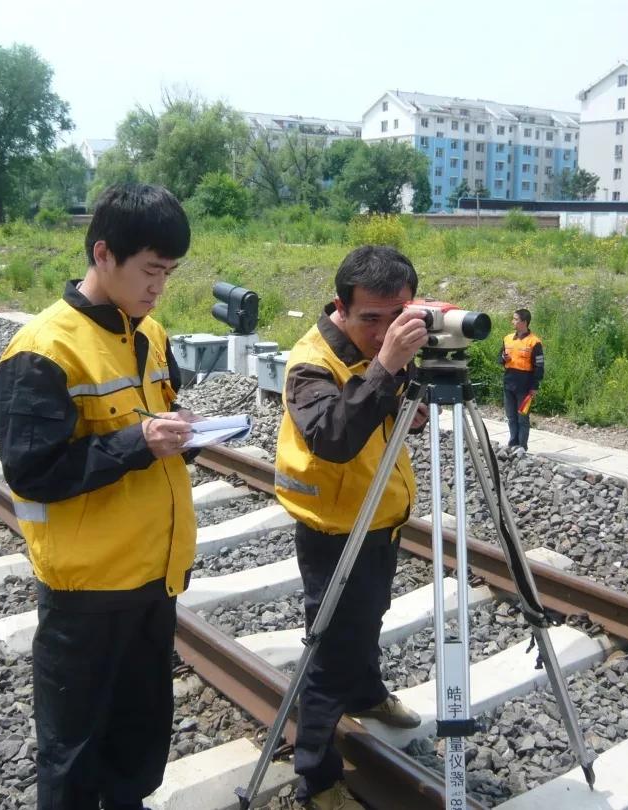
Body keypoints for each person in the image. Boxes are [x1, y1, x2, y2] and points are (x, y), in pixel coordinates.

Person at [0, 184, 198, 810]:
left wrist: (180, 433)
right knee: (74, 754)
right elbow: (33, 472)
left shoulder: (149, 332)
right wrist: (139, 443)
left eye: (169, 273)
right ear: (103, 254)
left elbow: (155, 416)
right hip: (86, 592)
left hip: (154, 578)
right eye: (150, 271)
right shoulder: (41, 351)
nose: (159, 286)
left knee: (138, 743)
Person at [274, 245, 430, 810]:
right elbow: (333, 438)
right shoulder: (311, 362)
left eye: (398, 316)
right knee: (329, 649)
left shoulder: (387, 348)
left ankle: (366, 695)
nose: (385, 332)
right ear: (341, 306)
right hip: (335, 529)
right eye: (371, 319)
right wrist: (387, 368)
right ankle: (315, 774)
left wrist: (403, 404)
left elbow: (380, 414)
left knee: (369, 618)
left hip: (380, 519)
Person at [499, 307, 544, 451]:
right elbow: (499, 358)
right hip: (509, 383)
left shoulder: (534, 342)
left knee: (522, 418)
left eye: (516, 319)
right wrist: (502, 358)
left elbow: (539, 366)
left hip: (525, 386)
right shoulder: (507, 338)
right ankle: (513, 443)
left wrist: (535, 386)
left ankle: (522, 446)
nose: (513, 321)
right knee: (511, 417)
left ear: (524, 322)